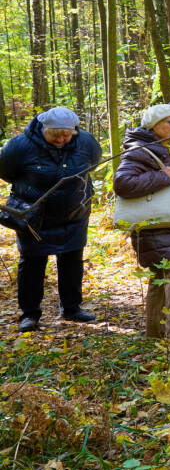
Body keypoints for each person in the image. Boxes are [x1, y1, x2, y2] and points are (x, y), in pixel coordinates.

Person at [1, 108, 102, 332]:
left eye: (66, 135)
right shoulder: (18, 146)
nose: (61, 139)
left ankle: (72, 308)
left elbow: (92, 164)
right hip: (34, 217)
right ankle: (30, 314)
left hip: (74, 214)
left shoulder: (86, 142)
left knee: (72, 260)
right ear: (43, 129)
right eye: (55, 135)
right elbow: (6, 172)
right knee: (32, 263)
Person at [112, 105, 170, 339]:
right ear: (153, 125)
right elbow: (123, 183)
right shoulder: (139, 151)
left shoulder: (165, 148)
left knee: (161, 278)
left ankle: (156, 332)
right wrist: (164, 176)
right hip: (159, 227)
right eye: (169, 122)